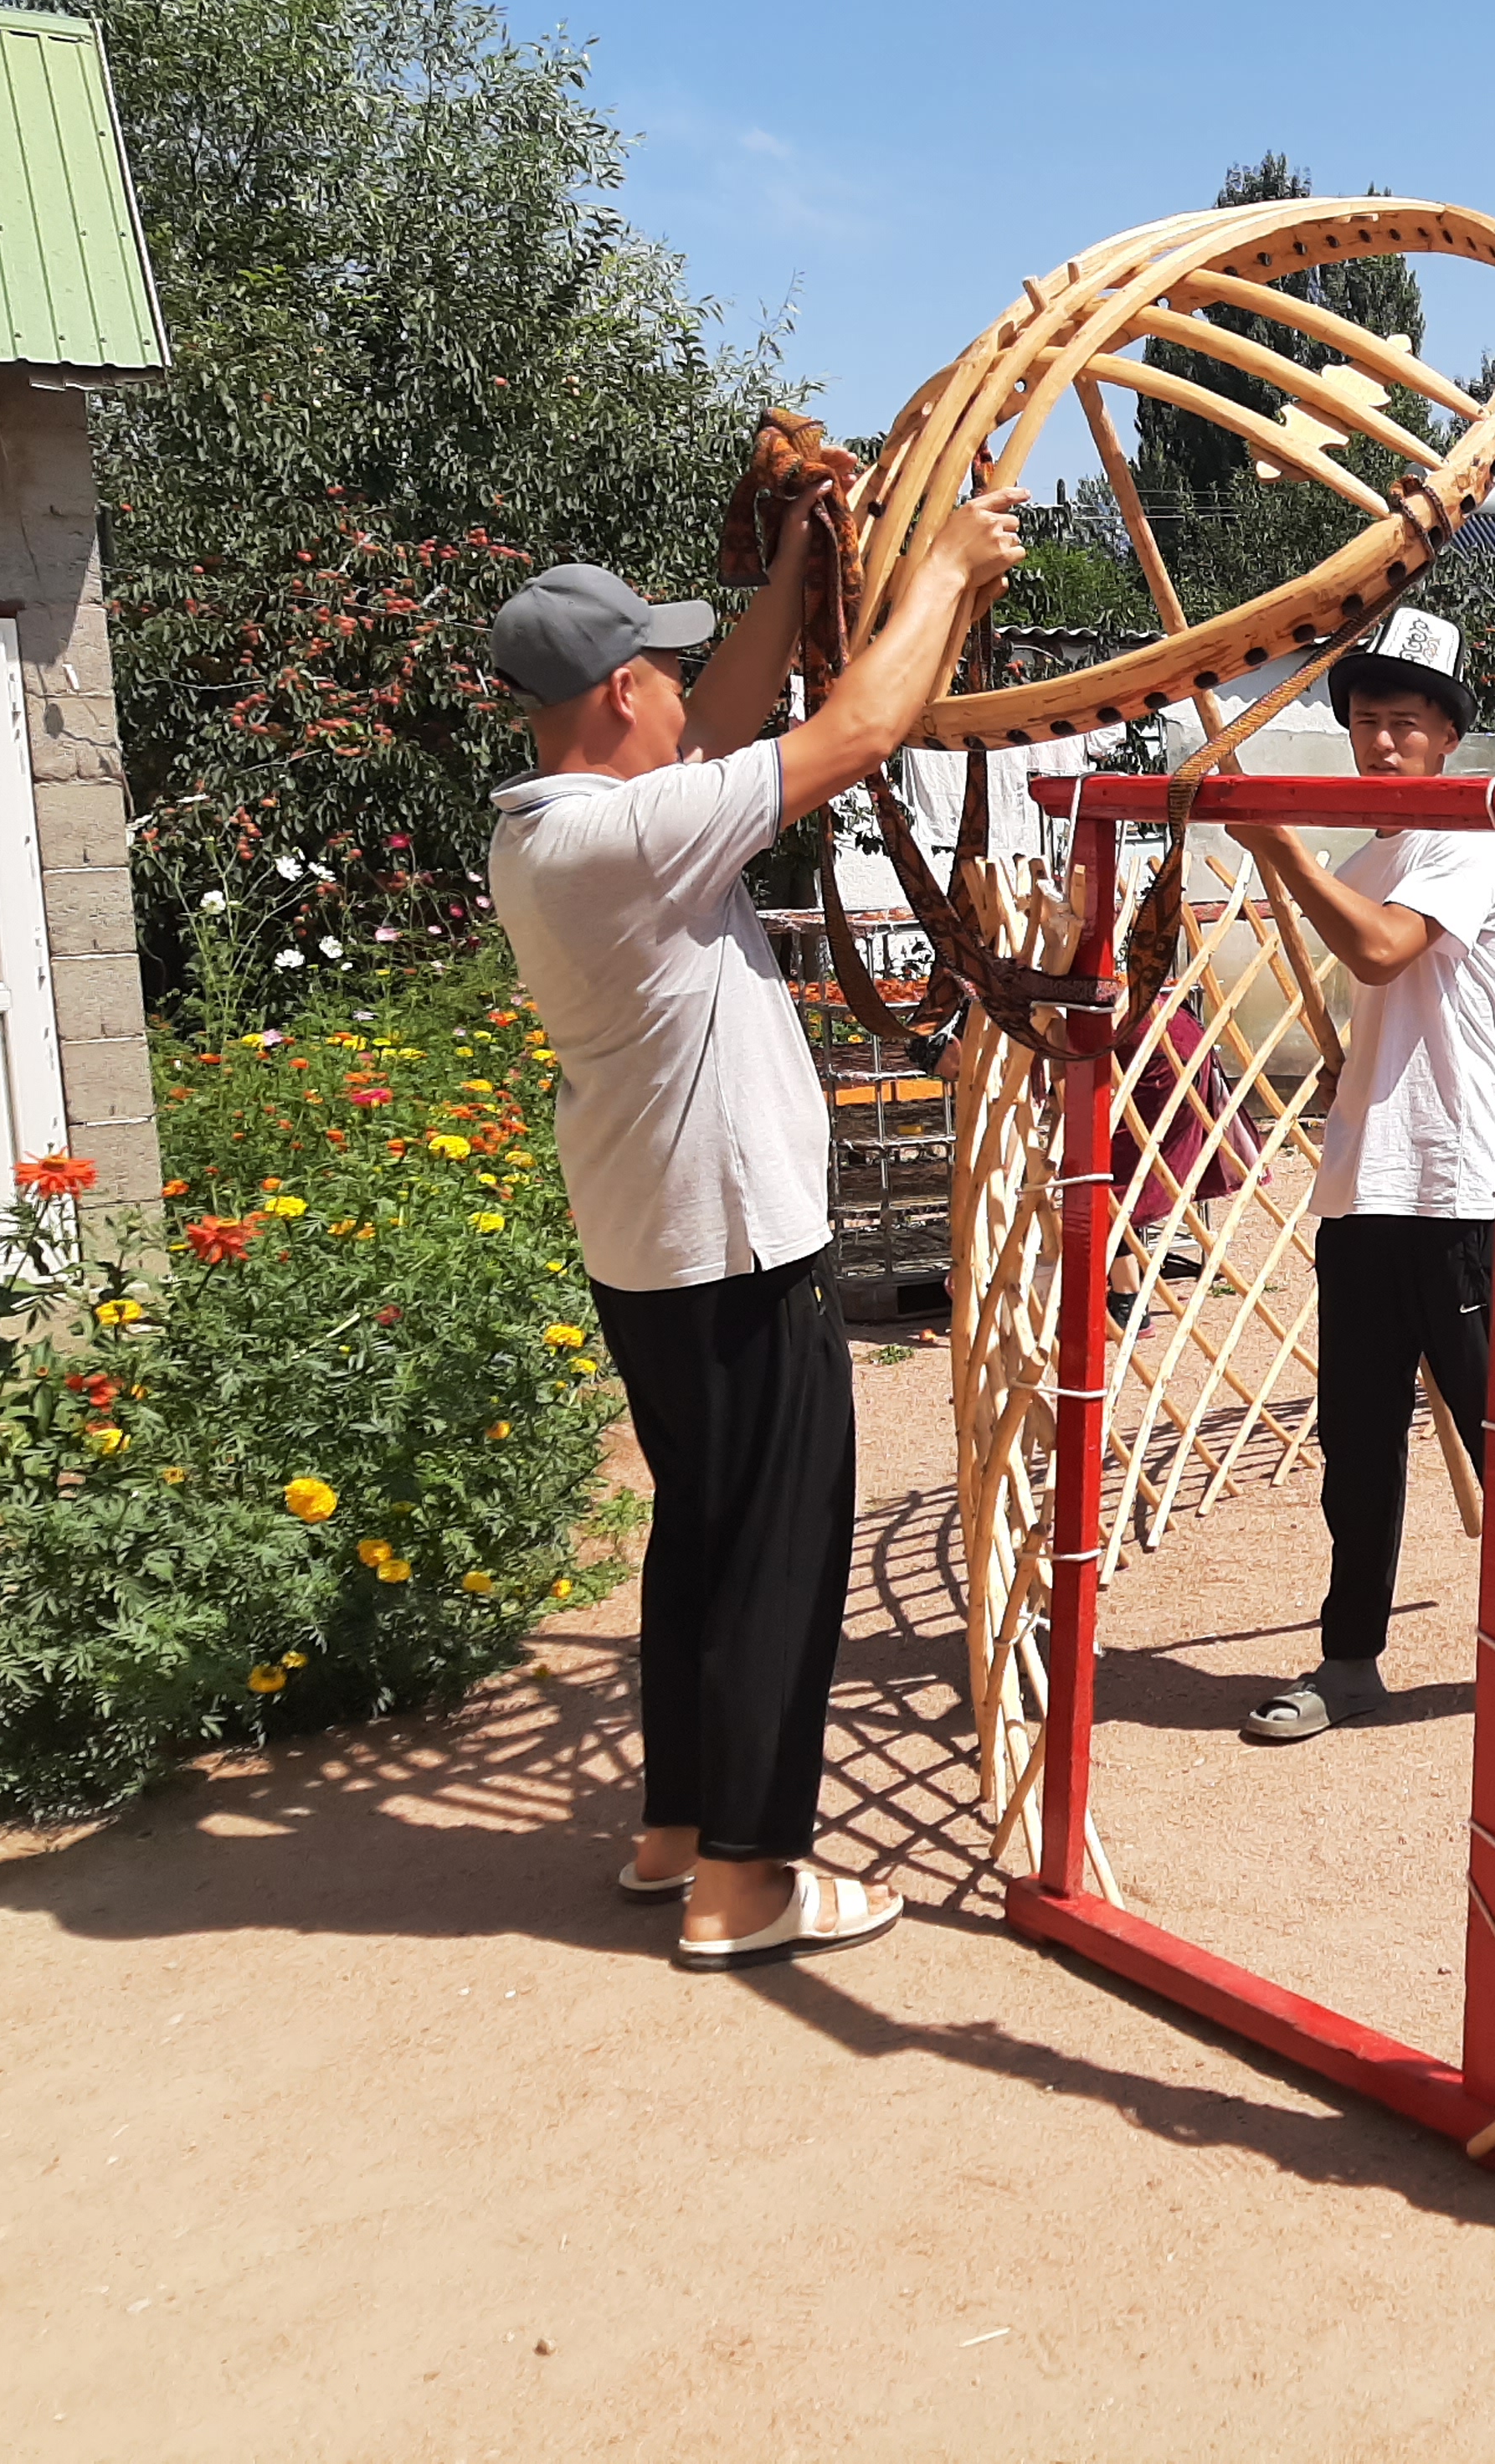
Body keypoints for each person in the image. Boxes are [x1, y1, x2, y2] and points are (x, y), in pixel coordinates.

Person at [484, 481, 1028, 1966]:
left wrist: (794, 570)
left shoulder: (553, 831)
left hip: (656, 1253)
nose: (687, 697)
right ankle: (749, 1882)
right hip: (737, 1248)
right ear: (622, 691)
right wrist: (947, 572)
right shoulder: (630, 839)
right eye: (665, 670)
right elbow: (853, 734)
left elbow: (721, 732)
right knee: (784, 1554)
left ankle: (678, 1831)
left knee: (704, 1539)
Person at [1224, 608, 1495, 1741]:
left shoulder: (1468, 841)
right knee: (1355, 1443)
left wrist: (1281, 851)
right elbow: (1378, 984)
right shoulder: (1370, 857)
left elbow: (1381, 948)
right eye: (1366, 722)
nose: (1384, 742)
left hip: (1453, 1182)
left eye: (1406, 722)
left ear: (1450, 736)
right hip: (1364, 1186)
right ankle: (1348, 1659)